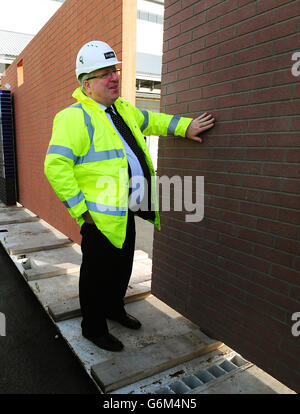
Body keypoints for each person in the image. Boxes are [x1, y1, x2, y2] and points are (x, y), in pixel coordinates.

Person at [44, 40, 215, 352]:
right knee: (96, 274)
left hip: (126, 209)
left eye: (115, 71)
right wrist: (82, 212)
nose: (115, 77)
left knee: (121, 268)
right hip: (98, 217)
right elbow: (55, 167)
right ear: (87, 83)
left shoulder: (122, 110)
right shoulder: (73, 117)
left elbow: (155, 122)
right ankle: (92, 327)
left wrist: (186, 126)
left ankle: (113, 309)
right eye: (106, 73)